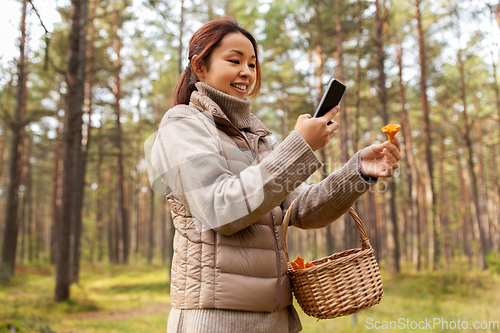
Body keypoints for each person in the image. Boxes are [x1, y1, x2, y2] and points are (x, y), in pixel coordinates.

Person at [150, 16, 401, 333]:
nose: (246, 72)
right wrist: (300, 145)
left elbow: (303, 210)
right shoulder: (183, 125)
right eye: (234, 60)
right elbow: (220, 209)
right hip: (215, 319)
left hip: (277, 317)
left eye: (252, 64)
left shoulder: (259, 138)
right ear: (200, 67)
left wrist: (359, 171)